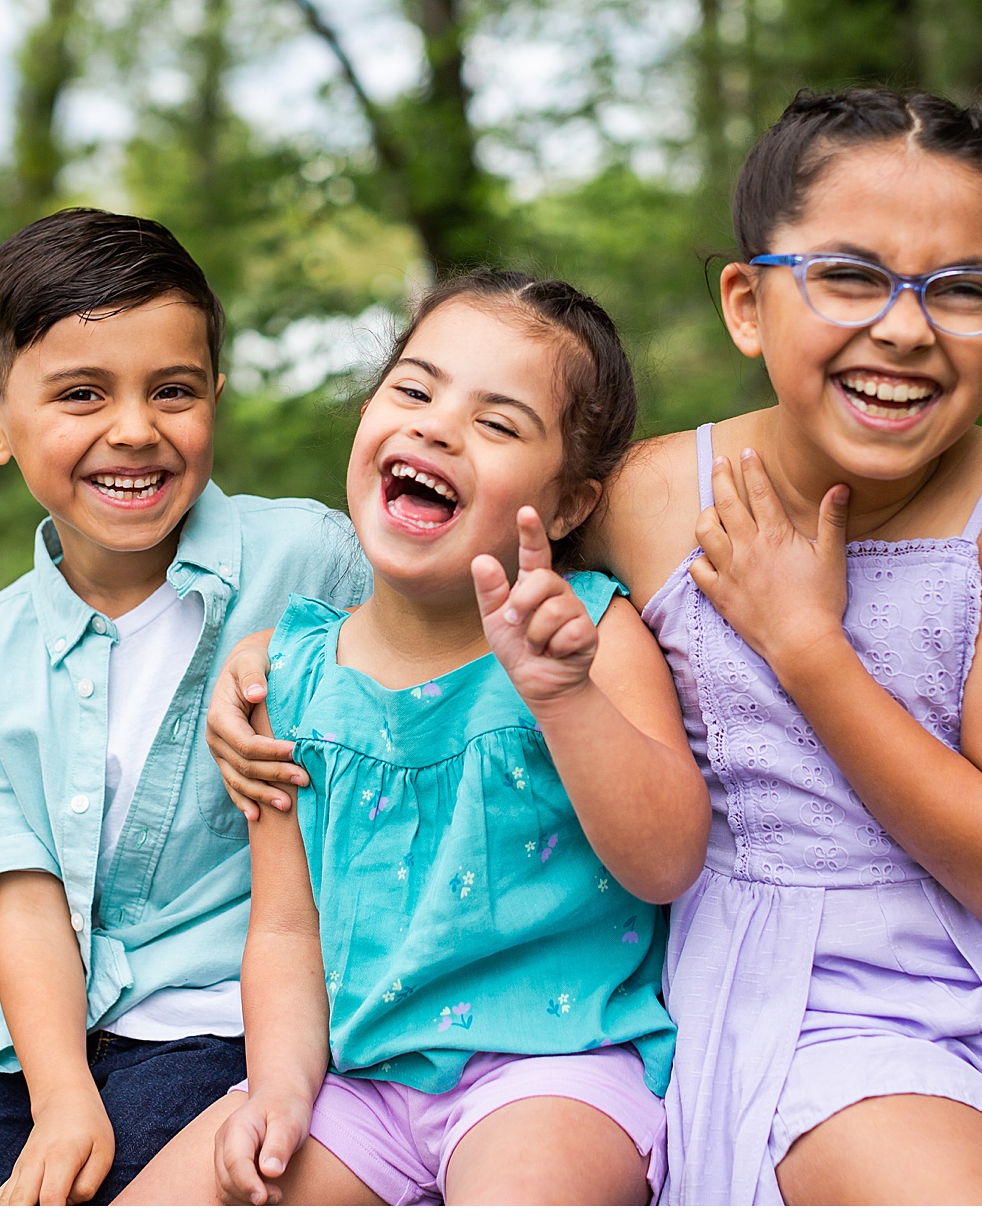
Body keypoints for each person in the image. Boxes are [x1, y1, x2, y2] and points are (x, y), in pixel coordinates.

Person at [208, 91, 982, 1205]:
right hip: (814, 998)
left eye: (960, 291)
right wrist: (269, 656)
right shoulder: (656, 495)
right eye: (849, 277)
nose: (903, 327)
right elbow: (453, 550)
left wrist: (806, 645)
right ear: (747, 304)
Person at [115, 271, 710, 1206]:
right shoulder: (293, 674)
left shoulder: (590, 633)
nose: (436, 426)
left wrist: (563, 699)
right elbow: (283, 928)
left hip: (553, 1066)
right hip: (357, 1081)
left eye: (499, 423)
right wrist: (276, 1088)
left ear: (565, 507)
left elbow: (669, 859)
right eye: (415, 389)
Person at [0, 209, 369, 1206]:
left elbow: (444, 670)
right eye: (81, 394)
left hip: (241, 1029)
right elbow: (22, 896)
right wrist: (61, 1098)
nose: (134, 429)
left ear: (214, 401)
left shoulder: (314, 563)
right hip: (51, 1046)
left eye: (172, 392)